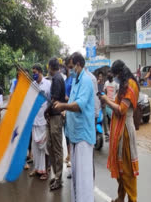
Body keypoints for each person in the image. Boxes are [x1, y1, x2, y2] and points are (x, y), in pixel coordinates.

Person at [53, 52, 95, 202]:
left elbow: (79, 105)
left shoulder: (86, 80)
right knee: (77, 177)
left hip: (83, 135)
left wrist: (64, 106)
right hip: (75, 134)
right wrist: (65, 110)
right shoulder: (76, 80)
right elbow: (72, 102)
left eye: (71, 67)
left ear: (78, 64)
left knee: (83, 178)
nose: (69, 71)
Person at [100, 60, 140, 202]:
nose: (115, 77)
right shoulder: (124, 84)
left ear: (120, 73)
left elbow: (122, 109)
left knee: (127, 170)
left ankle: (132, 199)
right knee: (120, 168)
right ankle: (121, 197)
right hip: (118, 130)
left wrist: (106, 100)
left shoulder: (131, 85)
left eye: (116, 74)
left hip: (126, 133)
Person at [45, 58, 66, 190]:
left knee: (57, 148)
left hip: (56, 117)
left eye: (48, 67)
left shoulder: (57, 79)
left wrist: (46, 111)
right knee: (50, 145)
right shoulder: (55, 79)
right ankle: (56, 174)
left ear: (51, 67)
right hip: (52, 116)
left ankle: (58, 178)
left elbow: (54, 99)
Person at [29, 64, 51, 181]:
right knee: (35, 146)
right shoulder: (33, 85)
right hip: (34, 121)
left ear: (41, 72)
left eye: (35, 72)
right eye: (33, 72)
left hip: (43, 120)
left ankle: (46, 170)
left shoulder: (48, 84)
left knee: (44, 146)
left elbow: (51, 101)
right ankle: (37, 168)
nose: (34, 74)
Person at [103, 70, 119, 138]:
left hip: (113, 103)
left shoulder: (116, 84)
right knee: (106, 119)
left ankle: (113, 132)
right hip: (107, 103)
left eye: (110, 74)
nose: (109, 75)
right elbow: (105, 91)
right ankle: (108, 133)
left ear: (112, 76)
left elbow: (118, 92)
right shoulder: (106, 83)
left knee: (112, 118)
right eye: (108, 74)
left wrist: (116, 99)